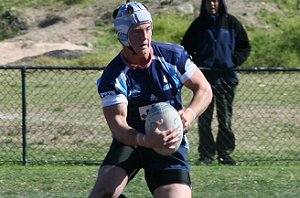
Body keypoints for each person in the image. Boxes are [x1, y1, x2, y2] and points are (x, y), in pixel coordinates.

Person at [89, 1, 212, 197]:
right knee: (102, 194)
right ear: (123, 35)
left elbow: (204, 89)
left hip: (169, 139)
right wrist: (145, 139)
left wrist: (188, 115)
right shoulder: (113, 77)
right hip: (133, 140)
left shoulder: (172, 56)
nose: (145, 37)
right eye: (137, 31)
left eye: (148, 29)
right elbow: (118, 124)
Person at [181, 0, 251, 165]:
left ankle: (225, 154)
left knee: (225, 119)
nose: (212, 4)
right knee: (204, 120)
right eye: (209, 1)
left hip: (226, 79)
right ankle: (206, 155)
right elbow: (185, 49)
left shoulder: (231, 23)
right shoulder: (198, 25)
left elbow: (245, 46)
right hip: (204, 82)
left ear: (220, 3)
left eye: (215, 1)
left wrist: (232, 60)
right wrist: (195, 66)